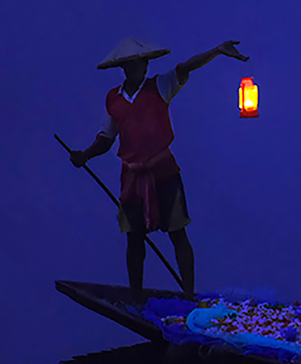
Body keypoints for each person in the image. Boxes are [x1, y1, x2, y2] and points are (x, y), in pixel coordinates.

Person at [69, 37, 250, 302]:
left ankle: (189, 294)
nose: (139, 67)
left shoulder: (159, 87)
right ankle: (136, 296)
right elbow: (105, 139)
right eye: (133, 64)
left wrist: (216, 51)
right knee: (134, 238)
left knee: (177, 232)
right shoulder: (114, 99)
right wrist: (84, 155)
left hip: (164, 172)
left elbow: (186, 67)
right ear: (125, 67)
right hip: (132, 177)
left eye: (142, 63)